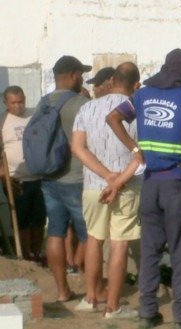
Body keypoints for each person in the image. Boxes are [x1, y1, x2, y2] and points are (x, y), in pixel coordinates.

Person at [106, 48, 181, 329]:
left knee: (149, 250)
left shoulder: (143, 95)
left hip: (150, 184)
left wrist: (135, 149)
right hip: (177, 183)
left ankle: (147, 312)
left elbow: (113, 118)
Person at [71, 62, 142, 318]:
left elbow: (78, 148)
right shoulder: (138, 110)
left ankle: (90, 297)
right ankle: (113, 306)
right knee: (119, 242)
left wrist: (104, 175)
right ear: (136, 85)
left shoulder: (87, 107)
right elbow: (140, 156)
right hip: (127, 184)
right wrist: (116, 180)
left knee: (94, 238)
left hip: (93, 184)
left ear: (111, 81)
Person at [34, 55, 91, 302]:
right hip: (76, 178)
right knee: (90, 235)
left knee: (55, 232)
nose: (83, 78)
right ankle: (93, 288)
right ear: (73, 75)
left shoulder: (43, 102)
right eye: (81, 74)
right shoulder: (81, 104)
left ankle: (61, 291)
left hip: (49, 178)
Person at [0, 86, 46, 261]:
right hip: (16, 181)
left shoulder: (35, 115)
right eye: (13, 103)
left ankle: (37, 252)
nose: (18, 106)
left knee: (40, 220)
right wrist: (2, 173)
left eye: (21, 101)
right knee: (22, 222)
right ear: (6, 103)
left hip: (39, 178)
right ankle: (26, 256)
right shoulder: (2, 121)